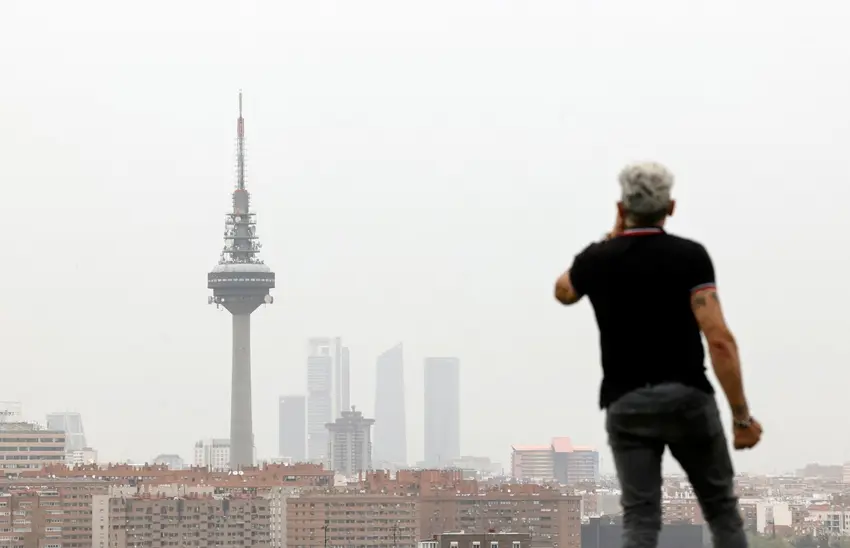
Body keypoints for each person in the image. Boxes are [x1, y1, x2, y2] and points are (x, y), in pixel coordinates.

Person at [553, 161, 762, 548]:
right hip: (688, 398)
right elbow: (719, 340)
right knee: (720, 511)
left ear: (621, 207)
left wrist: (610, 238)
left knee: (640, 520)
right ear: (671, 207)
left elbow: (563, 291)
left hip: (626, 402)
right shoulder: (690, 258)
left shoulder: (597, 260)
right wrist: (741, 418)